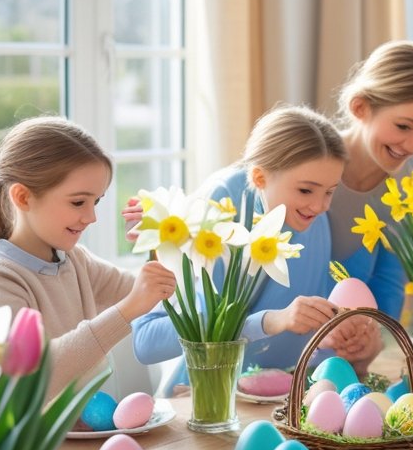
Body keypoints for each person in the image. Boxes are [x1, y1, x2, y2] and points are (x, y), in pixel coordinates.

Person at [131, 105, 376, 385]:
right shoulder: (218, 208)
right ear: (260, 177)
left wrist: (342, 346)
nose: (320, 205)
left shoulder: (313, 219)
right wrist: (271, 321)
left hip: (276, 399)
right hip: (203, 398)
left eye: (330, 191)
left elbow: (294, 348)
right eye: (306, 190)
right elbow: (146, 342)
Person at [0, 117, 178, 400]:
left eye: (96, 201)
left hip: (83, 435)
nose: (91, 217)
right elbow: (35, 375)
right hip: (33, 442)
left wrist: (154, 242)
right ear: (23, 198)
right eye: (78, 202)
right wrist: (127, 310)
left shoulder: (75, 260)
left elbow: (160, 294)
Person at [327, 40, 413, 319]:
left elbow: (394, 281)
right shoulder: (312, 168)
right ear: (360, 107)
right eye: (403, 126)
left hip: (366, 342)